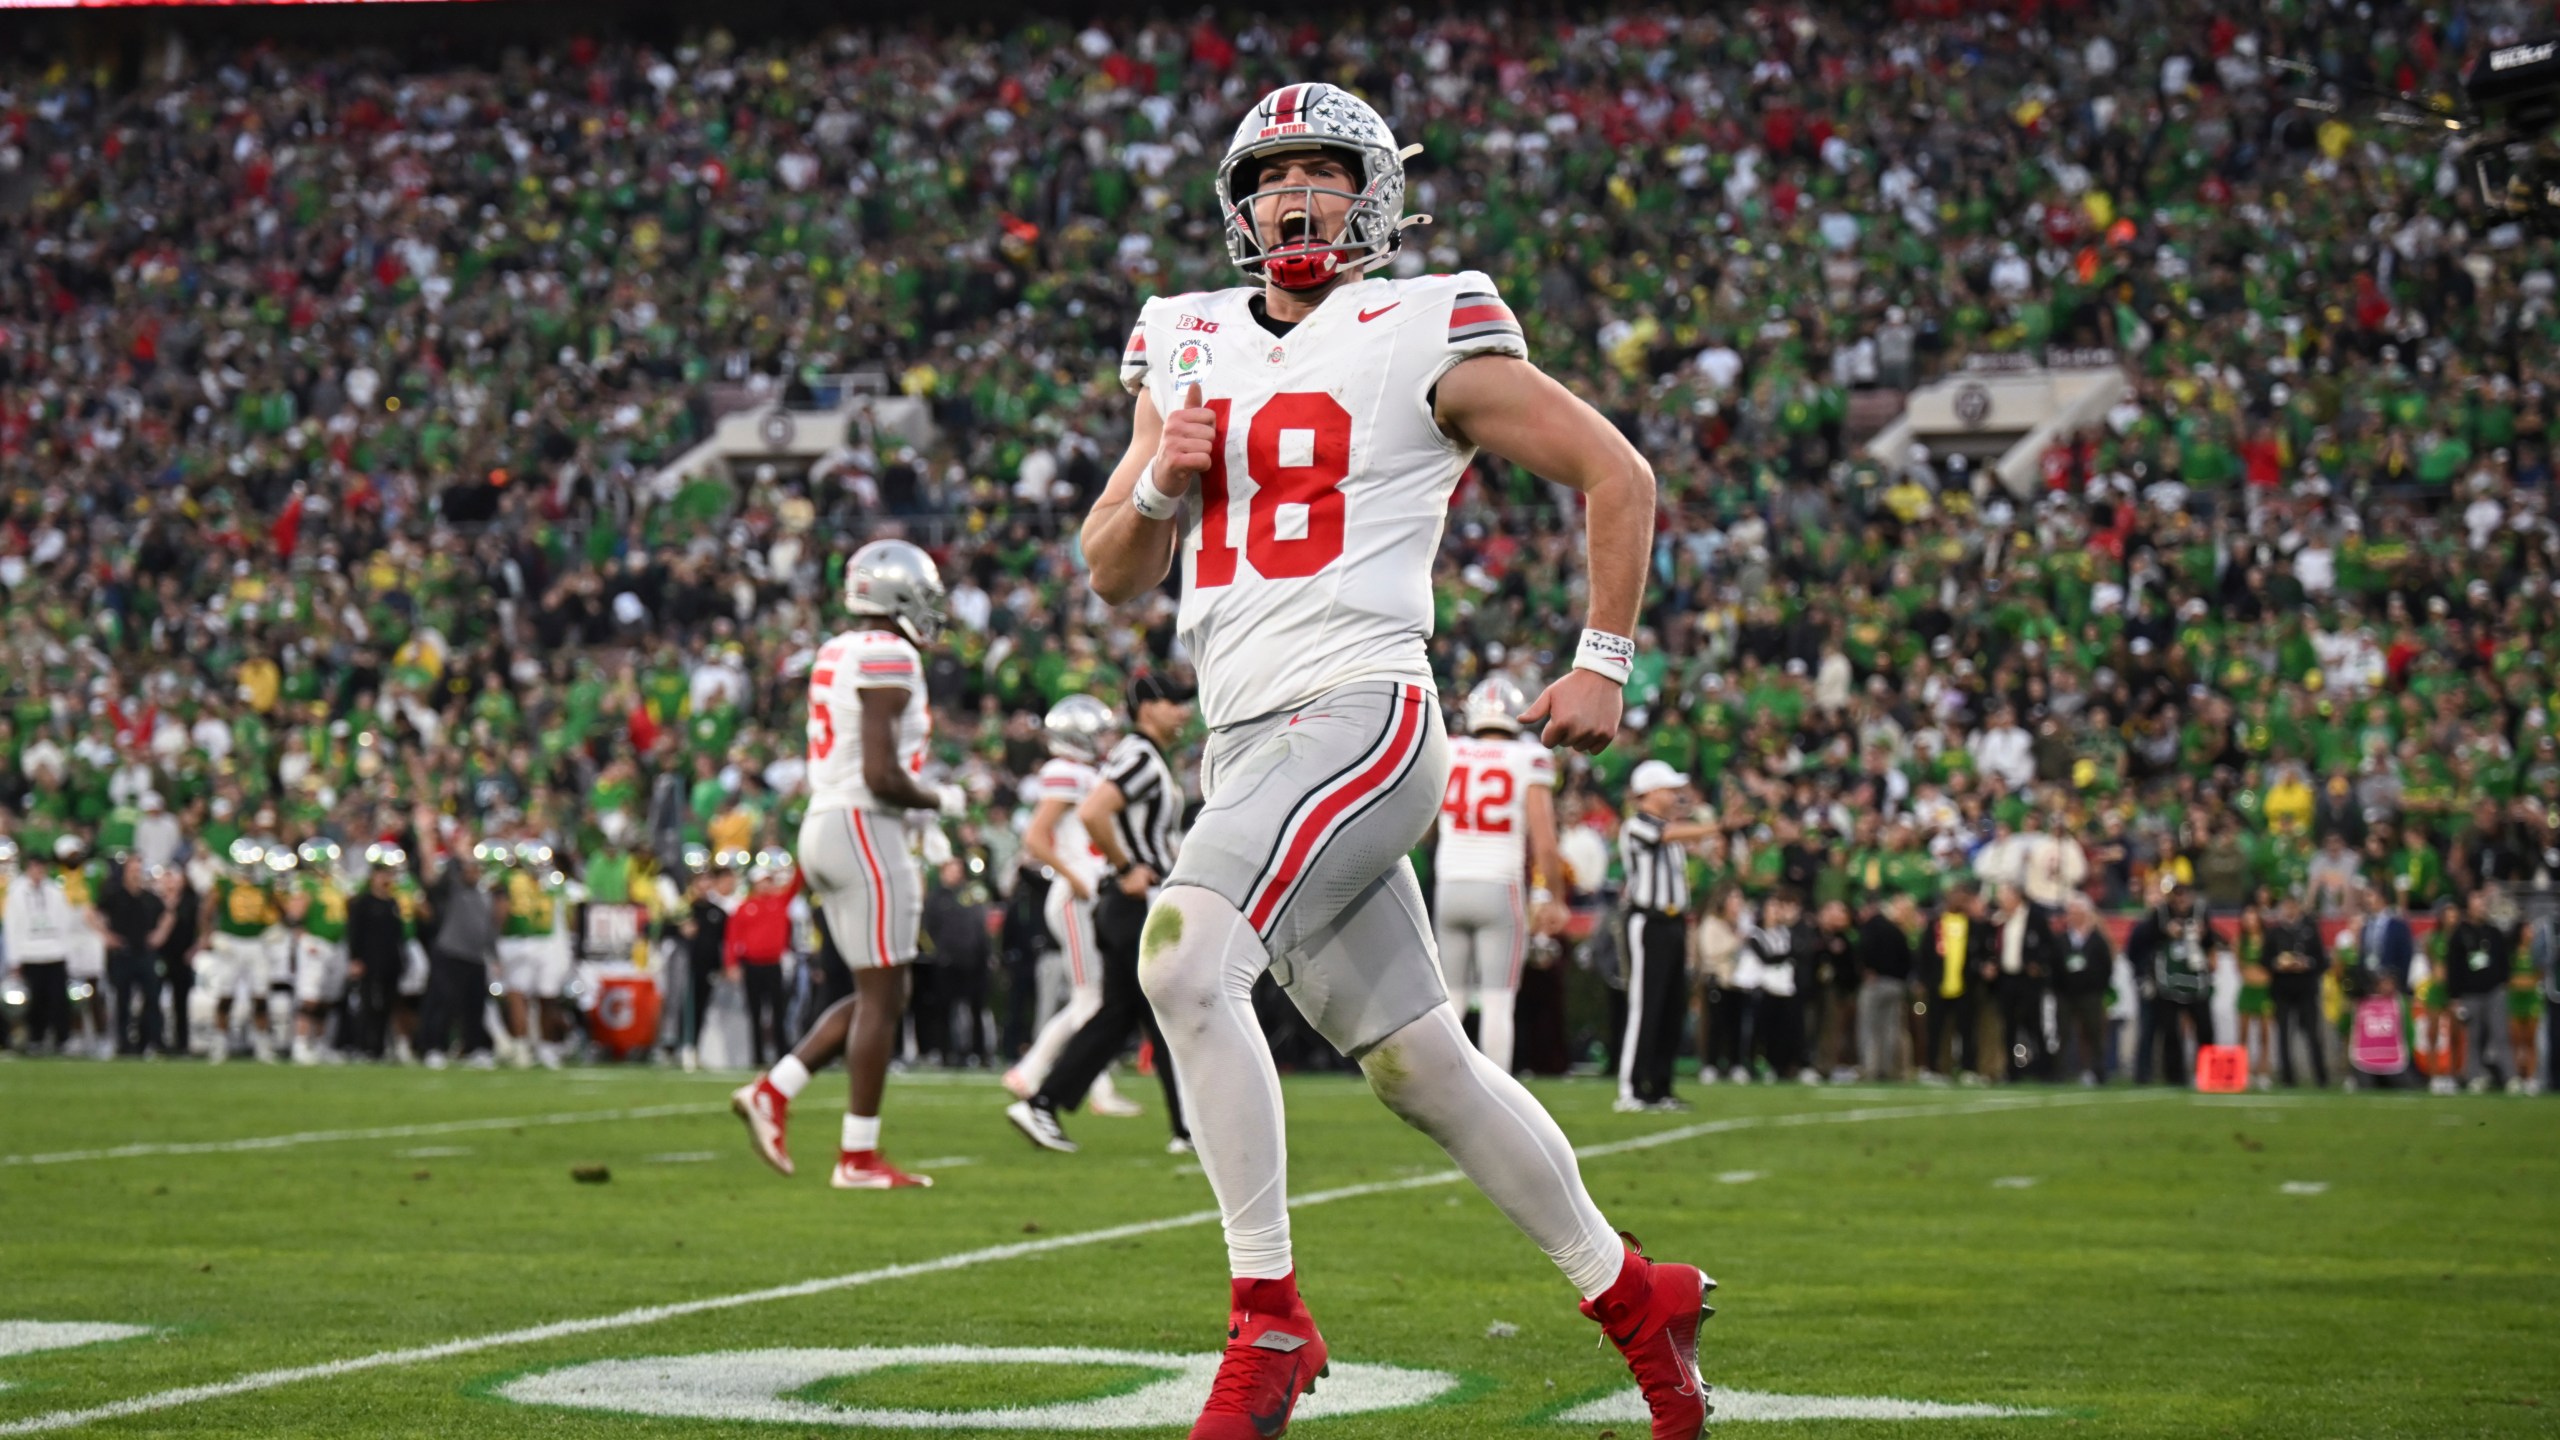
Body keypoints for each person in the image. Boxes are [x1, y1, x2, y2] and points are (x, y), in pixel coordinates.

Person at [1079, 85, 1709, 1440]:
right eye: (1272, 176)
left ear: (1378, 195)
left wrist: (1604, 655)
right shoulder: (1181, 340)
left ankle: (1269, 1320)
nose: (1295, 197)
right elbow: (1115, 576)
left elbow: (1618, 475)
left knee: (1182, 956)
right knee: (1421, 1069)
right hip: (1246, 739)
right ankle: (1635, 1297)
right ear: (1237, 205)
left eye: (1324, 171)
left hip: (1360, 714)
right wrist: (1154, 484)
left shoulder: (1426, 319)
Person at [730, 539, 962, 1191]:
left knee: (875, 994)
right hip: (865, 826)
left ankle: (775, 1090)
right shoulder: (890, 653)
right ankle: (857, 1155)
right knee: (886, 998)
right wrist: (939, 799)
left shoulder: (837, 649)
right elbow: (883, 774)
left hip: (828, 824)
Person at [1009, 672, 1197, 1154]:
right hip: (1132, 902)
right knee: (1157, 1011)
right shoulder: (1140, 756)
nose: (1184, 711)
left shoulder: (1143, 756)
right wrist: (1127, 865)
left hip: (1125, 904)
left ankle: (1044, 1103)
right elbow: (1094, 812)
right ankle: (1186, 1128)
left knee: (1118, 1016)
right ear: (1146, 708)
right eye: (1174, 702)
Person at [1001, 695, 1141, 1118]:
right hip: (1073, 896)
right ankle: (1096, 1089)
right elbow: (1035, 837)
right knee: (1089, 998)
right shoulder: (1064, 772)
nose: (1104, 739)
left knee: (1090, 996)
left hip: (1084, 894)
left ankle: (1029, 1071)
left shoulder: (1081, 772)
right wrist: (1074, 875)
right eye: (1098, 732)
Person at [1431, 673, 1565, 1075]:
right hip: (1498, 886)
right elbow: (1545, 843)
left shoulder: (1450, 750)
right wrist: (1555, 896)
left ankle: (1440, 1090)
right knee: (1497, 1001)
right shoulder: (1527, 757)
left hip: (1450, 884)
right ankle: (1498, 1099)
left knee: (1451, 1000)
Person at [1619, 760, 1714, 1109]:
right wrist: (1716, 826)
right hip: (1649, 922)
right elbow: (1664, 834)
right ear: (1650, 792)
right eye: (1669, 790)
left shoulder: (1670, 830)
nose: (1676, 796)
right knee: (1647, 1005)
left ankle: (1660, 1086)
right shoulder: (1637, 825)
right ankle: (1633, 1087)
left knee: (1672, 1008)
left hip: (1673, 923)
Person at [412, 816, 502, 1069]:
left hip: (475, 956)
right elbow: (450, 869)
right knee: (443, 1003)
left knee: (475, 1006)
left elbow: (488, 929)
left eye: (476, 868)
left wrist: (493, 956)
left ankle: (476, 1048)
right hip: (450, 952)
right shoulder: (455, 888)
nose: (473, 872)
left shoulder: (484, 893)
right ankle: (433, 1047)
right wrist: (457, 846)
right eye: (470, 868)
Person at [201, 838, 284, 1062]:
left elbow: (278, 910)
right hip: (231, 941)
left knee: (260, 996)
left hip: (257, 942)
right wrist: (210, 934)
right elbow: (207, 910)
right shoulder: (224, 882)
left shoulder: (264, 884)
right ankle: (219, 1043)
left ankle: (262, 1044)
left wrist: (275, 928)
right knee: (225, 996)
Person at [499, 838, 577, 1069]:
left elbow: (568, 915)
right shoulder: (512, 880)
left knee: (545, 996)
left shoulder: (552, 882)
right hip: (518, 939)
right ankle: (523, 1046)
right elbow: (502, 912)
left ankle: (542, 1046)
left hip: (543, 940)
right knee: (519, 995)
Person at [2127, 879, 2214, 1085]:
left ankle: (2208, 1072)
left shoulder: (2200, 913)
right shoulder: (2160, 915)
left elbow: (2212, 942)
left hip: (2195, 982)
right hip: (2168, 983)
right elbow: (2141, 942)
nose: (2181, 899)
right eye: (2177, 895)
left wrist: (2204, 934)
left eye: (2184, 894)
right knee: (2169, 1032)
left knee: (2205, 1030)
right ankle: (2174, 1076)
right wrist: (2165, 930)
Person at [724, 857, 801, 1069]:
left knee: (778, 1010)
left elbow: (797, 882)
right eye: (763, 881)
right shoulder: (744, 907)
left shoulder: (779, 902)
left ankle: (782, 1054)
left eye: (769, 880)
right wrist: (731, 964)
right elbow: (732, 938)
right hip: (752, 966)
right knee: (755, 1012)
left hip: (773, 965)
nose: (767, 884)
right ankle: (757, 1056)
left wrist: (801, 857)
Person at [3, 846, 78, 1053]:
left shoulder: (54, 890)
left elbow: (64, 923)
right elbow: (13, 926)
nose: (39, 871)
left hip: (54, 953)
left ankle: (62, 1038)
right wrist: (14, 959)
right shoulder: (17, 892)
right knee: (35, 1001)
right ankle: (36, 1038)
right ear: (29, 868)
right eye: (35, 867)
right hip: (30, 954)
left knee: (58, 1000)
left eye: (42, 867)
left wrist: (67, 953)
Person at [284, 838, 351, 1065]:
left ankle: (322, 1044)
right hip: (315, 943)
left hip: (336, 944)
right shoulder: (305, 882)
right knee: (310, 996)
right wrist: (302, 938)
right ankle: (301, 1044)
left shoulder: (337, 881)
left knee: (327, 998)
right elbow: (294, 914)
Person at [2443, 889, 2517, 1093]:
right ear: (2468, 906)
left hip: (2494, 991)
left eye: (2483, 902)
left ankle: (2510, 1077)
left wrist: (2503, 981)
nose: (2481, 906)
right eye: (2476, 902)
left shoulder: (2493, 932)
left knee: (2500, 1035)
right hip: (2470, 993)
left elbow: (2504, 959)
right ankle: (2474, 1076)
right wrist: (2454, 996)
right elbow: (2454, 966)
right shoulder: (2460, 934)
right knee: (2473, 1038)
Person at [98, 852, 172, 1057]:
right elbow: (95, 913)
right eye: (132, 870)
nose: (135, 874)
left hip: (145, 953)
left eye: (138, 870)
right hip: (123, 952)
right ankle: (123, 1043)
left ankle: (153, 1041)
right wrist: (107, 935)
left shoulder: (149, 898)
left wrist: (160, 934)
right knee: (122, 999)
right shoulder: (114, 894)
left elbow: (168, 913)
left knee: (152, 998)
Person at [1917, 881, 1990, 1083]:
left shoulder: (1975, 926)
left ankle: (1968, 1069)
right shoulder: (1936, 924)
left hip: (1965, 986)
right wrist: (1923, 979)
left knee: (1967, 1030)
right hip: (1938, 985)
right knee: (1935, 1030)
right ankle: (1933, 1068)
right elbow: (1924, 954)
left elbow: (1983, 953)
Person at [345, 844, 410, 1061]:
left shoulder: (392, 903)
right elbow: (355, 932)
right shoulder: (363, 903)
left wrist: (401, 961)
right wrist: (355, 958)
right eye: (381, 874)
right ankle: (364, 1046)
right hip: (369, 960)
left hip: (390, 961)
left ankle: (380, 1048)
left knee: (386, 1006)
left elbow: (398, 936)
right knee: (368, 1005)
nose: (385, 879)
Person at [2264, 890, 2329, 1089]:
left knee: (2312, 1033)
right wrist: (2277, 964)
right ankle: (2287, 1077)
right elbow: (2264, 960)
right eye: (2286, 906)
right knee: (2283, 1034)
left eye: (2292, 905)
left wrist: (2307, 963)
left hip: (2306, 988)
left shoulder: (2310, 930)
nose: (2289, 910)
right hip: (2283, 989)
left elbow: (2323, 961)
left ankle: (2321, 1077)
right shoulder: (2275, 932)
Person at [1989, 882, 2054, 1082]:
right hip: (2006, 978)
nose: (2001, 901)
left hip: (2028, 979)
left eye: (2005, 896)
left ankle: (2044, 1069)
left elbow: (2048, 946)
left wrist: (2038, 965)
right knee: (2008, 1026)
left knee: (2034, 1024)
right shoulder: (1998, 920)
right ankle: (2011, 1070)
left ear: (2017, 897)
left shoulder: (2034, 918)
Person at [1855, 892, 1917, 1081]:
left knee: (1869, 1027)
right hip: (1896, 985)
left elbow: (1863, 949)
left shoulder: (1872, 926)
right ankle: (1889, 1069)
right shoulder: (1899, 931)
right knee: (1891, 1029)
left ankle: (1870, 1069)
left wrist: (1867, 969)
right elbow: (1908, 959)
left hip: (1876, 983)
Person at [2053, 893, 2114, 1083]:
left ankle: (2097, 1071)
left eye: (2076, 912)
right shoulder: (2061, 939)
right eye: (2070, 912)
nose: (2072, 916)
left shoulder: (2096, 939)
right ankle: (2060, 1072)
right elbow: (2054, 964)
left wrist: (2098, 986)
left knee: (2094, 1033)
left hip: (2090, 994)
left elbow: (2106, 966)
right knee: (2063, 1033)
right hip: (2065, 993)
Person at [155, 861, 201, 1058]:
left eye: (174, 877)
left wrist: (195, 949)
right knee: (153, 999)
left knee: (180, 1002)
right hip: (160, 956)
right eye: (167, 877)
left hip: (183, 956)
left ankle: (182, 1042)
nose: (171, 882)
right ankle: (156, 1040)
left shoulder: (192, 901)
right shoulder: (155, 901)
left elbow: (201, 926)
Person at [2233, 903, 2275, 1088]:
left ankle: (2263, 1072)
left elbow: (2269, 968)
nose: (2250, 921)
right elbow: (2241, 968)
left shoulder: (2268, 940)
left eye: (2253, 917)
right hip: (2248, 989)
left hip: (2264, 990)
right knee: (2243, 1034)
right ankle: (2243, 1071)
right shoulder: (2240, 942)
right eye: (2246, 917)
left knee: (2264, 1034)